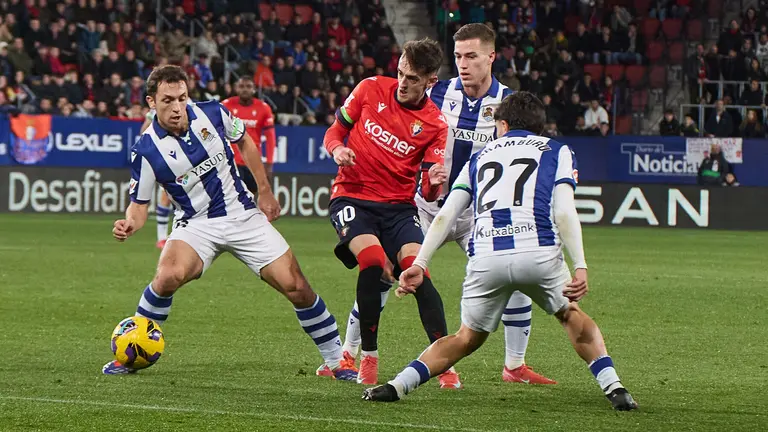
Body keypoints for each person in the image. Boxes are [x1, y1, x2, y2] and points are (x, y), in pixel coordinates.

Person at [362, 92, 639, 412]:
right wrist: (580, 265)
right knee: (571, 315)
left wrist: (420, 263)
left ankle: (397, 386)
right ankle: (614, 387)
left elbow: (446, 214)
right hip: (538, 252)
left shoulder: (479, 157)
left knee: (465, 339)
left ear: (503, 124)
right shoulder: (557, 150)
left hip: (486, 257)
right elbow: (564, 212)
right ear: (539, 126)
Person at [102, 66, 357, 382]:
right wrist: (128, 224)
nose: (177, 106)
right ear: (152, 102)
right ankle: (132, 351)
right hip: (195, 225)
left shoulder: (214, 113)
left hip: (244, 216)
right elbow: (138, 208)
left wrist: (264, 191)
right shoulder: (146, 149)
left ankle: (337, 362)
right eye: (168, 100)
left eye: (182, 97)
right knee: (168, 276)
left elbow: (246, 142)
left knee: (297, 287)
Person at [341, 23, 555, 387]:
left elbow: (528, 152)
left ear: (491, 57)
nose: (463, 64)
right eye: (458, 57)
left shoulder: (507, 104)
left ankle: (514, 366)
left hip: (477, 213)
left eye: (471, 56)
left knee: (514, 276)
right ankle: (350, 349)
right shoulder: (437, 92)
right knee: (385, 270)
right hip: (425, 205)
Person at [319, 38, 453, 387]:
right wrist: (336, 150)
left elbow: (427, 189)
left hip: (398, 208)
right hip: (351, 197)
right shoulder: (370, 89)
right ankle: (369, 358)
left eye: (412, 78)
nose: (403, 83)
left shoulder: (436, 124)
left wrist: (435, 183)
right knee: (374, 262)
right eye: (400, 73)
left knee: (417, 270)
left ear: (430, 82)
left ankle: (445, 360)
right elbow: (336, 130)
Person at [221, 76, 277, 194]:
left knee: (250, 199)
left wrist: (269, 164)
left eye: (248, 86)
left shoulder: (264, 108)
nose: (245, 89)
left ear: (254, 89)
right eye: (241, 86)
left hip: (253, 162)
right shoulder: (226, 106)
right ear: (236, 89)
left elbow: (270, 138)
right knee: (234, 199)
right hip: (232, 162)